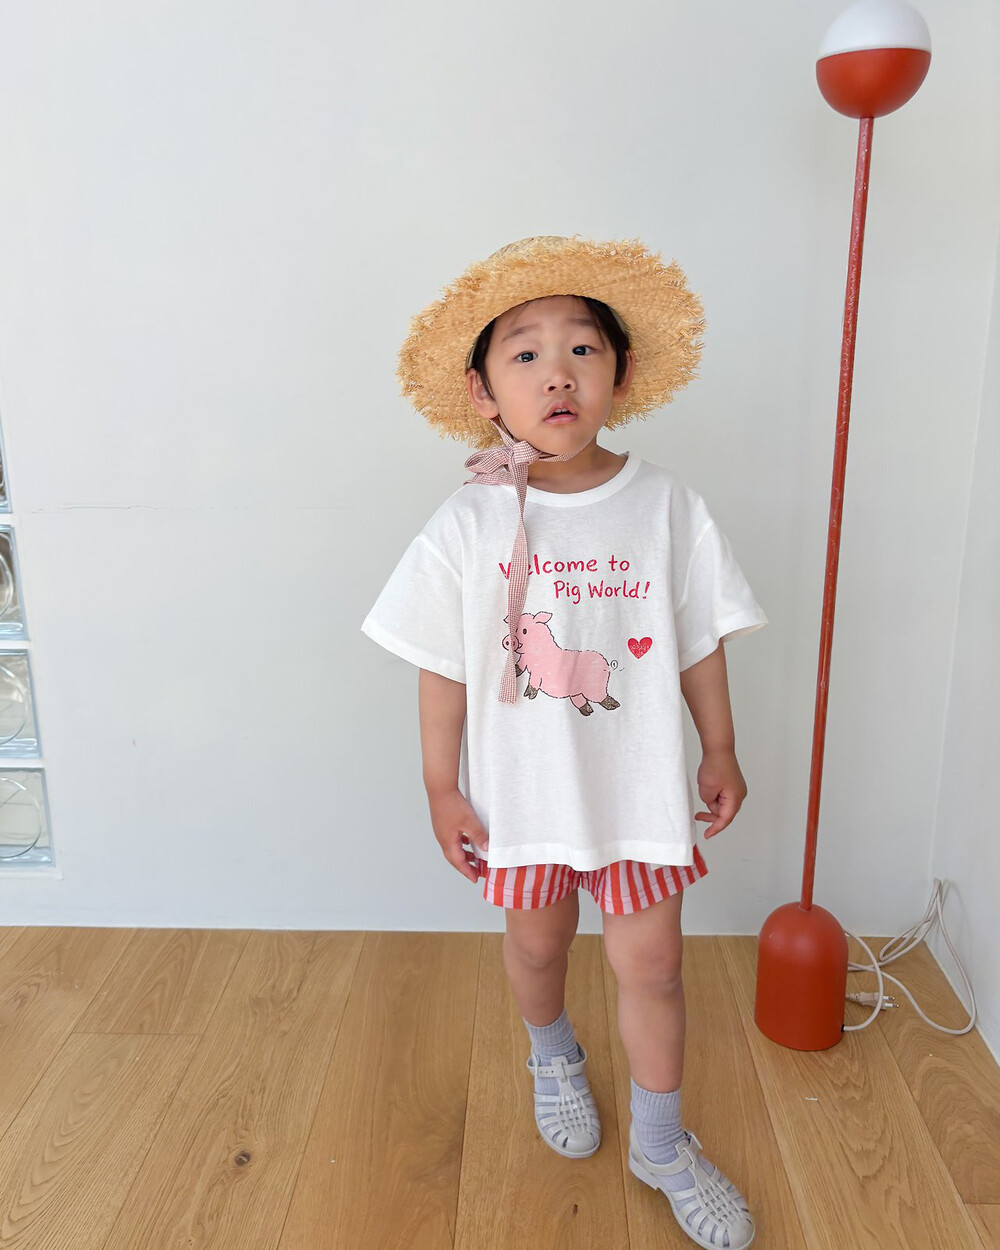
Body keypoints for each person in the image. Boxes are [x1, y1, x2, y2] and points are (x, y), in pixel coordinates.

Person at [360, 234, 766, 1250]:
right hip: (525, 795)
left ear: (618, 376)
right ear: (483, 391)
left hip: (637, 794)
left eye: (582, 349)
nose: (557, 373)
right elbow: (442, 663)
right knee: (537, 945)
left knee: (654, 966)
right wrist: (439, 785)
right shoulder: (468, 521)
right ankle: (551, 1052)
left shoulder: (665, 505)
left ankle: (661, 1143)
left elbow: (698, 641)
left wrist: (718, 747)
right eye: (527, 354)